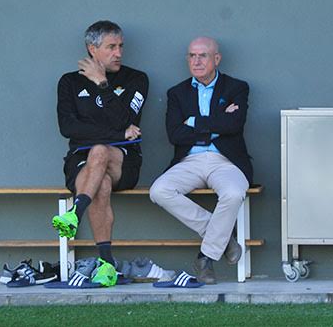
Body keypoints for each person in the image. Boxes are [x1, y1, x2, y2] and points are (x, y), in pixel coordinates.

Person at [149, 36, 252, 284]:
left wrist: (194, 121)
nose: (196, 61)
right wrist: (218, 121)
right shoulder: (177, 93)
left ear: (216, 59)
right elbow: (175, 134)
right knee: (159, 191)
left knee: (235, 192)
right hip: (189, 161)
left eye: (202, 55)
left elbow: (234, 124)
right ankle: (223, 238)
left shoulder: (236, 88)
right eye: (192, 56)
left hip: (224, 160)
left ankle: (205, 256)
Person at [53, 20, 148, 280]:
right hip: (81, 161)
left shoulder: (137, 79)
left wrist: (102, 83)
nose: (118, 53)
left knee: (101, 151)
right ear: (92, 49)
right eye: (111, 47)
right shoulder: (69, 83)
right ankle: (106, 265)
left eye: (120, 46)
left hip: (123, 162)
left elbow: (126, 117)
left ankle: (76, 212)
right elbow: (68, 127)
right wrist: (118, 134)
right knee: (100, 182)